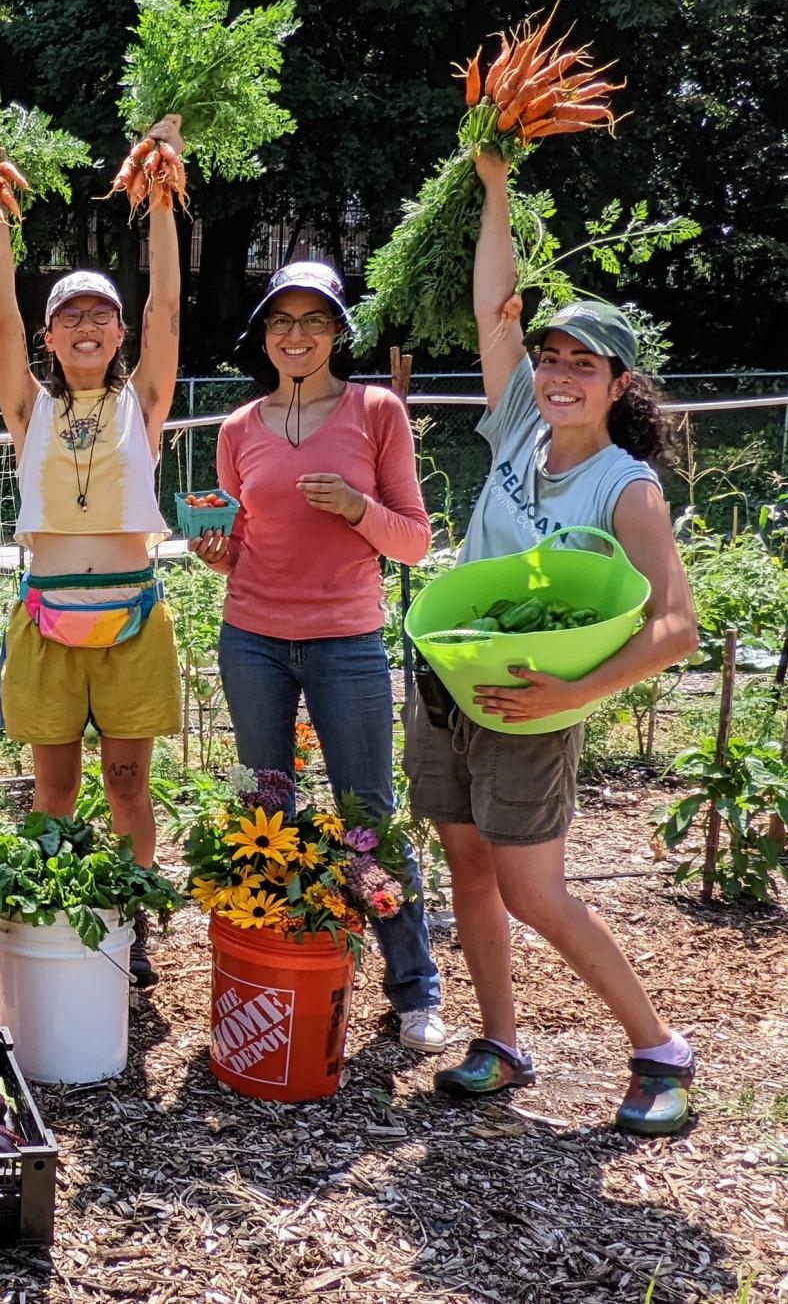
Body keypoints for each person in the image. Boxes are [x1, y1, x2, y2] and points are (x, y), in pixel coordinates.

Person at [409, 148, 703, 1135]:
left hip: (531, 704)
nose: (558, 374)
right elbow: (498, 303)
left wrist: (567, 694)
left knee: (533, 889)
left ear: (617, 381)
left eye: (582, 362)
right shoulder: (514, 427)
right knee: (466, 863)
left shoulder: (623, 486)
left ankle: (659, 1048)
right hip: (447, 676)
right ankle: (500, 1041)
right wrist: (494, 184)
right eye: (549, 357)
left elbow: (676, 626)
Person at [189, 259, 447, 1052]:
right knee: (260, 802)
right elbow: (240, 545)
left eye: (312, 322)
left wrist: (357, 506)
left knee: (367, 814)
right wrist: (215, 551)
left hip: (348, 643)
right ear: (263, 337)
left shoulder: (377, 412)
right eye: (280, 322)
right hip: (251, 640)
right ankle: (275, 959)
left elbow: (414, 539)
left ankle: (414, 990)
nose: (295, 336)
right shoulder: (238, 429)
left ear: (338, 333)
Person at [0, 115, 186, 984]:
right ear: (52, 336)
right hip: (50, 617)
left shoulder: (142, 400)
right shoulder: (28, 407)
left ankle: (135, 921)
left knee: (129, 788)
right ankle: (52, 910)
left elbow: (167, 305)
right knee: (55, 792)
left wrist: (165, 194)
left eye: (101, 314)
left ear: (117, 333)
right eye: (71, 316)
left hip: (134, 616)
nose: (88, 325)